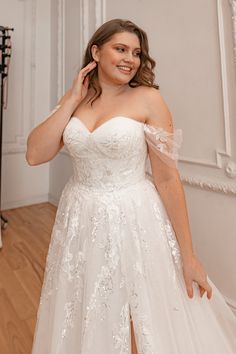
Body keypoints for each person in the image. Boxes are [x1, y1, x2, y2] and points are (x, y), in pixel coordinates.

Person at [26, 18, 236, 354]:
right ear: (96, 52)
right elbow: (35, 154)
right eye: (120, 49)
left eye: (136, 53)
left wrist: (189, 255)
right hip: (80, 218)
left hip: (134, 217)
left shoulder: (149, 99)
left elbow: (167, 178)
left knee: (140, 313)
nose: (130, 59)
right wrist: (70, 100)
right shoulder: (76, 100)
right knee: (88, 306)